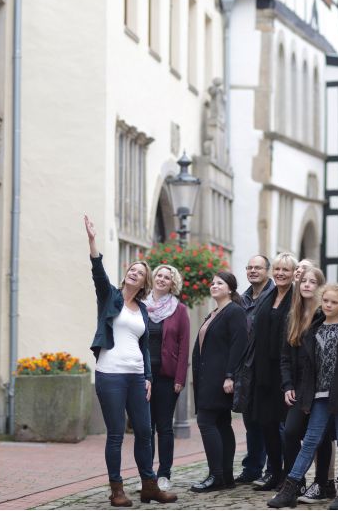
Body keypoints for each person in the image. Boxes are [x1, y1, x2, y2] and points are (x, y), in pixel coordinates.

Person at [83, 215, 176, 507]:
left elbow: (143, 346)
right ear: (126, 276)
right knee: (115, 435)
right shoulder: (110, 297)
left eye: (140, 272)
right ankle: (117, 490)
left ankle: (149, 486)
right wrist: (92, 240)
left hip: (136, 376)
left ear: (145, 282)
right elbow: (98, 272)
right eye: (132, 270)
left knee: (145, 432)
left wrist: (148, 377)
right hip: (110, 374)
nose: (135, 273)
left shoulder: (142, 309)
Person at [269, 284, 338, 510]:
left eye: (334, 302)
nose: (329, 305)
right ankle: (289, 490)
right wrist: (306, 399)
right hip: (319, 396)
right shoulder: (314, 329)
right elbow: (308, 368)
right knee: (311, 440)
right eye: (326, 301)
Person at [190, 271, 248, 492]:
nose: (214, 286)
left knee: (206, 422)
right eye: (212, 283)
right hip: (208, 377)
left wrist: (230, 375)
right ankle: (225, 477)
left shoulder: (234, 311)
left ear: (230, 288)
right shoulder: (215, 312)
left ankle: (216, 475)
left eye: (220, 283)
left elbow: (239, 344)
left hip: (220, 378)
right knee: (222, 423)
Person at [247, 253, 298, 491]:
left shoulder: (297, 298)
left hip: (287, 370)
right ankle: (274, 472)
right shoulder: (268, 296)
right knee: (267, 424)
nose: (280, 273)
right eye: (277, 269)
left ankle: (292, 474)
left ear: (294, 273)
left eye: (285, 270)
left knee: (288, 429)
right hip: (264, 370)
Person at [143, 264, 191, 492]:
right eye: (159, 275)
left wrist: (180, 378)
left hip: (166, 377)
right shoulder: (140, 305)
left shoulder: (179, 309)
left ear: (173, 283)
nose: (162, 279)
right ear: (153, 278)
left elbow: (184, 346)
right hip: (142, 376)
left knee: (164, 427)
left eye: (167, 277)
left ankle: (164, 474)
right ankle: (147, 475)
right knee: (145, 428)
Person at [235, 255, 272, 484]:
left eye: (258, 267)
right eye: (249, 267)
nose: (253, 271)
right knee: (251, 422)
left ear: (267, 270)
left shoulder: (275, 296)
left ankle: (274, 469)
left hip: (266, 367)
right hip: (245, 369)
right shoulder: (242, 299)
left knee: (270, 421)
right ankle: (253, 467)